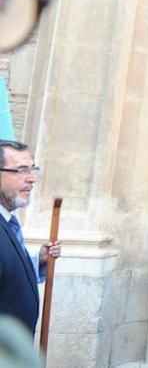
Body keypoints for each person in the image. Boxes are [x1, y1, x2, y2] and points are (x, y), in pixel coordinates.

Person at [0, 139, 61, 333]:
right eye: (21, 170)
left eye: (33, 169)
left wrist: (36, 261)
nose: (32, 178)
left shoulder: (8, 223)